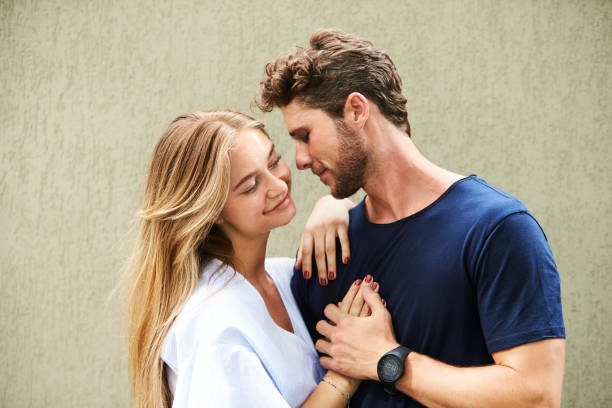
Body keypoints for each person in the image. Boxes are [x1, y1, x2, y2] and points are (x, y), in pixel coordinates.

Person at [255, 29, 566, 407]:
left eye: (305, 135)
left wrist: (388, 360)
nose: (299, 159)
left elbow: (536, 397)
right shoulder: (329, 251)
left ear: (356, 110)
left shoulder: (497, 229)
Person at [123, 110, 375, 407]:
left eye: (274, 161)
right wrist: (344, 375)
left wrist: (335, 204)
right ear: (212, 210)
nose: (279, 185)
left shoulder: (284, 277)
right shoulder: (215, 327)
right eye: (251, 186)